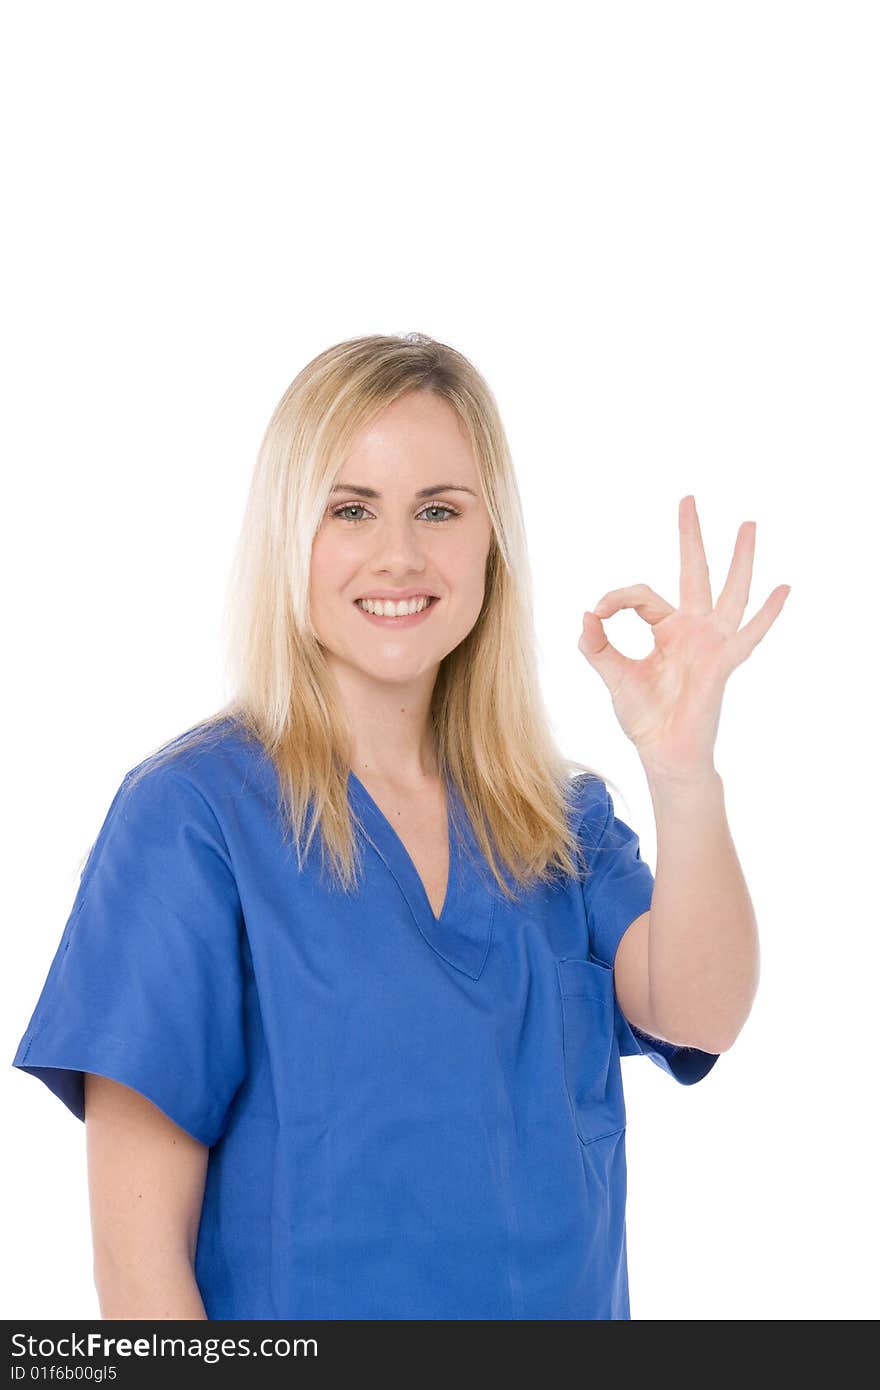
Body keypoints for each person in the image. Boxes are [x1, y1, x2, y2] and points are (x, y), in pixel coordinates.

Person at [12, 332, 786, 1320]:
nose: (399, 555)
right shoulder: (192, 817)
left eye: (438, 510)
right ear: (290, 535)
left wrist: (681, 771)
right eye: (350, 509)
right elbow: (137, 1274)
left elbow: (699, 1014)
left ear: (490, 540)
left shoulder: (559, 823)